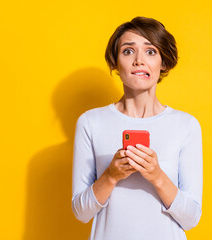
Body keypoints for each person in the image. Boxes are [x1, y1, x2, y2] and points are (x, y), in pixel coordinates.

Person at [72, 16, 203, 240]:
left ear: (163, 63)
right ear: (115, 62)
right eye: (128, 51)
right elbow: (81, 213)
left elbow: (191, 219)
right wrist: (111, 176)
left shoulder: (186, 125)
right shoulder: (91, 122)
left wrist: (157, 176)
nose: (139, 60)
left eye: (150, 51)